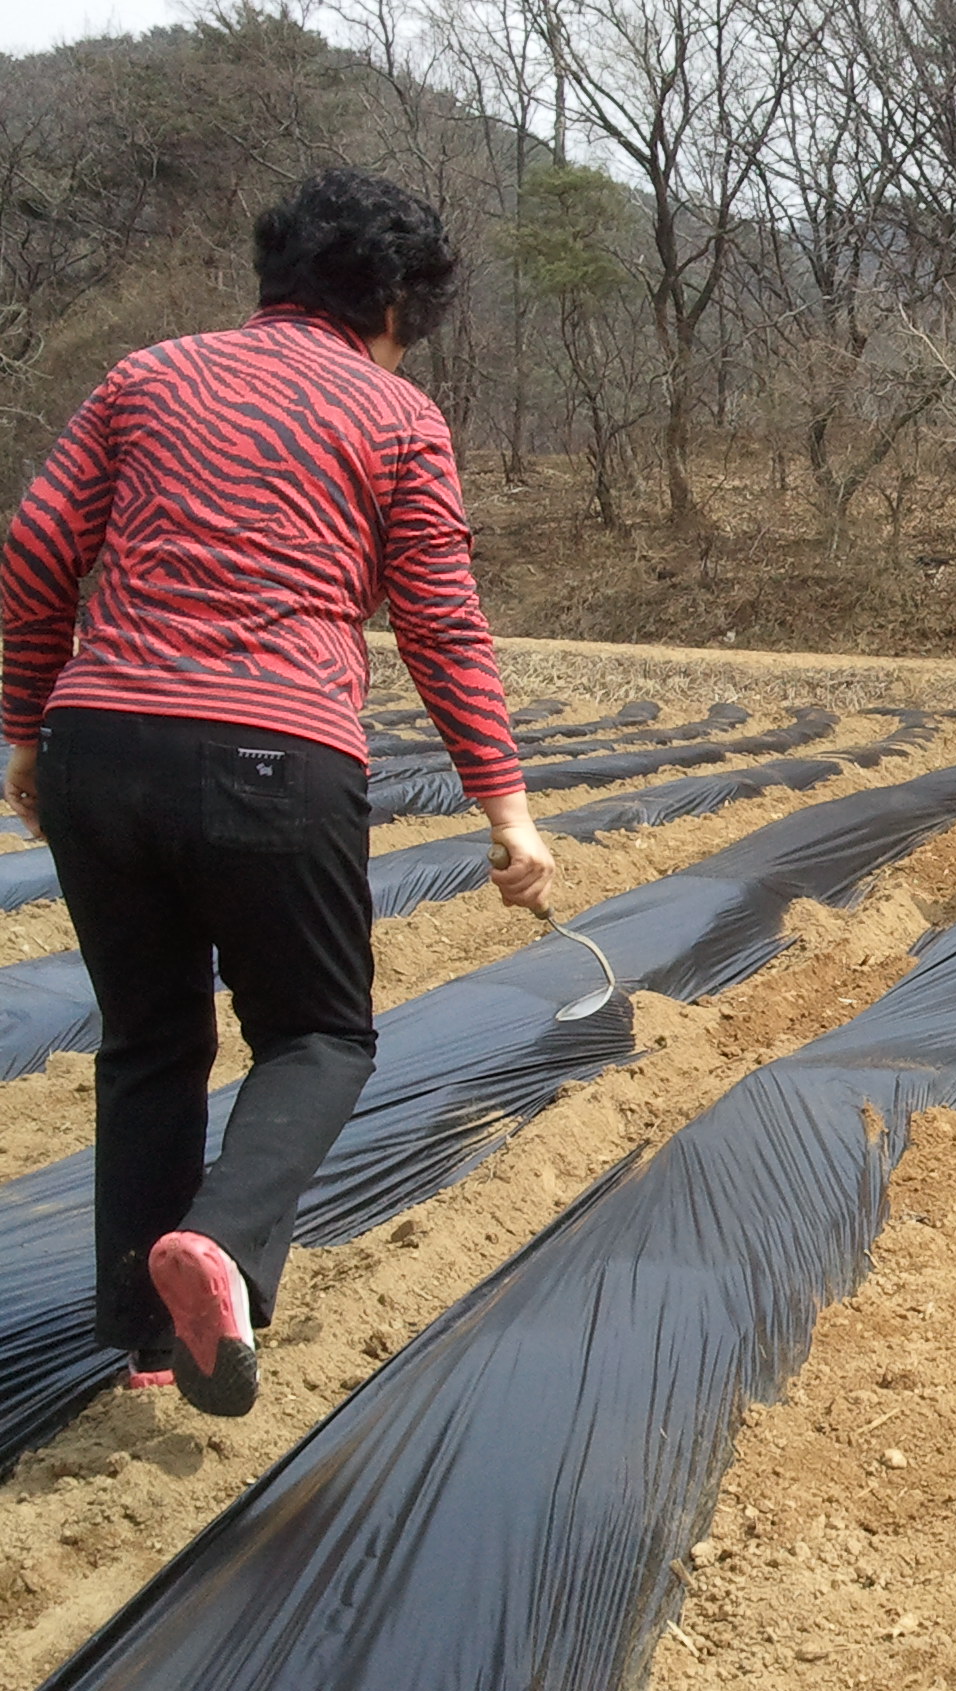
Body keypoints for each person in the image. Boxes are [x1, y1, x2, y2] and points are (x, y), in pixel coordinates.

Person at [0, 169, 557, 1419]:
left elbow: (35, 548)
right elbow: (441, 624)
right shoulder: (397, 416)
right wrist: (505, 808)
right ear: (399, 305)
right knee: (319, 1035)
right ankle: (223, 1248)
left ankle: (149, 1341)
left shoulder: (145, 376)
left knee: (150, 1040)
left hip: (99, 745)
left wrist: (26, 729)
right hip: (272, 751)